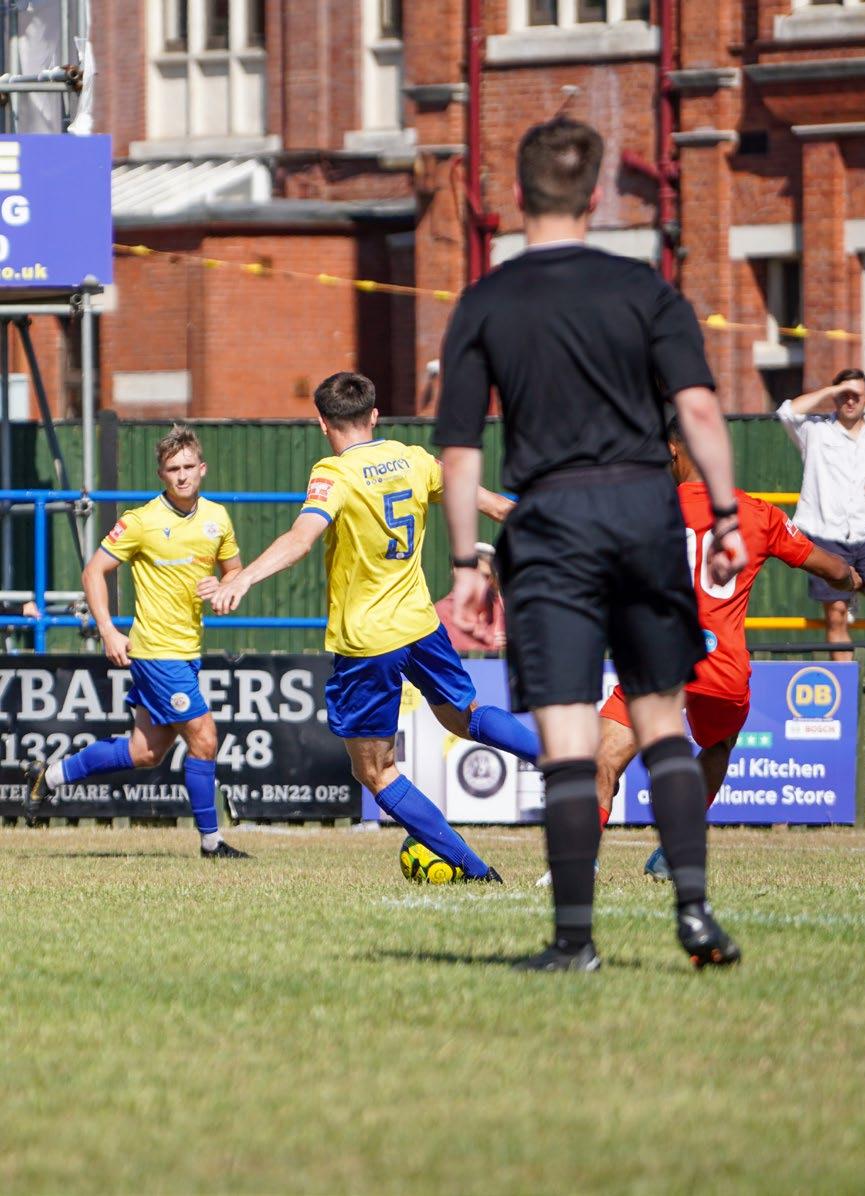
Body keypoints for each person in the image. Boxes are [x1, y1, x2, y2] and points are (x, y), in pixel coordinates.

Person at [435, 115, 748, 972]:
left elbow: (458, 451)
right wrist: (724, 517)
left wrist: (465, 564)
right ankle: (694, 916)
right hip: (645, 512)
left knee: (570, 739)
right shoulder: (645, 289)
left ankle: (573, 941)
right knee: (660, 720)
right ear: (598, 192)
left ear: (514, 193)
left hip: (550, 526)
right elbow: (697, 409)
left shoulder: (486, 300)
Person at [208, 371, 540, 882]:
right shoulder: (414, 460)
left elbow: (301, 537)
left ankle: (475, 871)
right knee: (465, 717)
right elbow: (496, 506)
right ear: (375, 415)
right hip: (421, 626)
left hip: (369, 641)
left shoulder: (333, 474)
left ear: (322, 423)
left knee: (375, 771)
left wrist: (244, 577)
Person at [536, 416, 860, 886]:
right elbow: (832, 569)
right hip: (722, 669)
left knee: (603, 759)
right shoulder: (759, 513)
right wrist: (851, 579)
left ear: (673, 449)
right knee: (719, 745)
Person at [25, 424, 249, 859]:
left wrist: (225, 588)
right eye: (173, 469)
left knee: (144, 751)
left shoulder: (217, 518)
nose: (182, 475)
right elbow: (93, 571)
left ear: (202, 469)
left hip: (187, 652)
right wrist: (108, 630)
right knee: (205, 738)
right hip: (156, 653)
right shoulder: (141, 521)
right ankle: (211, 843)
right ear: (161, 474)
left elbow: (235, 571)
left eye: (188, 467)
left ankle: (48, 777)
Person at [778, 369, 865, 661]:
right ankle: (846, 688)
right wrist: (830, 391)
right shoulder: (814, 429)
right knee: (836, 616)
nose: (850, 400)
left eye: (856, 395)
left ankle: (855, 583)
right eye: (844, 394)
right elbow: (786, 412)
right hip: (824, 533)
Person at [435, 541, 506, 653]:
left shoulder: (503, 608)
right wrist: (493, 645)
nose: (479, 583)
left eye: (485, 576)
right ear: (455, 572)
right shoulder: (441, 612)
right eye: (473, 576)